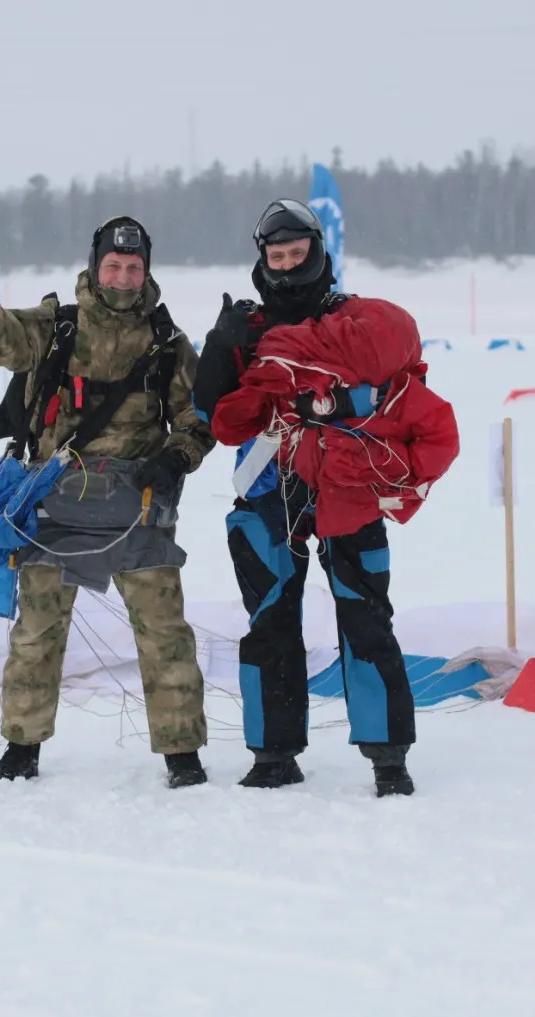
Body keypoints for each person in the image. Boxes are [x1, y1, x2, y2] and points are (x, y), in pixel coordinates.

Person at [194, 199, 460, 798]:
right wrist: (218, 350)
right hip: (268, 484)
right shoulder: (248, 329)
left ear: (319, 255)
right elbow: (214, 417)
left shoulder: (360, 320)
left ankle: (388, 757)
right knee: (269, 620)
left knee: (365, 617)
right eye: (277, 257)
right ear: (262, 262)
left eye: (298, 255)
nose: (287, 267)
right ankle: (272, 754)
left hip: (349, 488)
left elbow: (399, 380)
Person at [0, 217, 216, 788]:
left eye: (134, 267)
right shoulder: (56, 328)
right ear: (96, 267)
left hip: (138, 507)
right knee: (37, 633)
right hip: (56, 502)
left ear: (147, 271)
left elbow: (197, 418)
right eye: (113, 266)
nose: (123, 278)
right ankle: (21, 749)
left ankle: (182, 754)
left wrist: (176, 456)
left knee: (166, 633)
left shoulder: (168, 342)